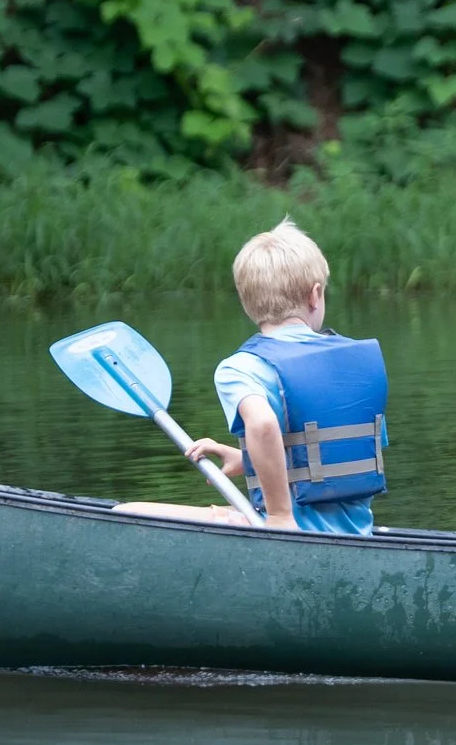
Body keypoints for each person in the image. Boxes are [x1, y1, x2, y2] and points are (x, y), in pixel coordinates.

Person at [115, 218, 387, 533]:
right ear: (315, 295)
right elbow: (330, 453)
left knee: (125, 512)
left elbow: (262, 424)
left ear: (248, 305)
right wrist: (246, 458)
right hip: (356, 533)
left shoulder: (241, 368)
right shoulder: (355, 364)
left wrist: (280, 517)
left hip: (291, 530)